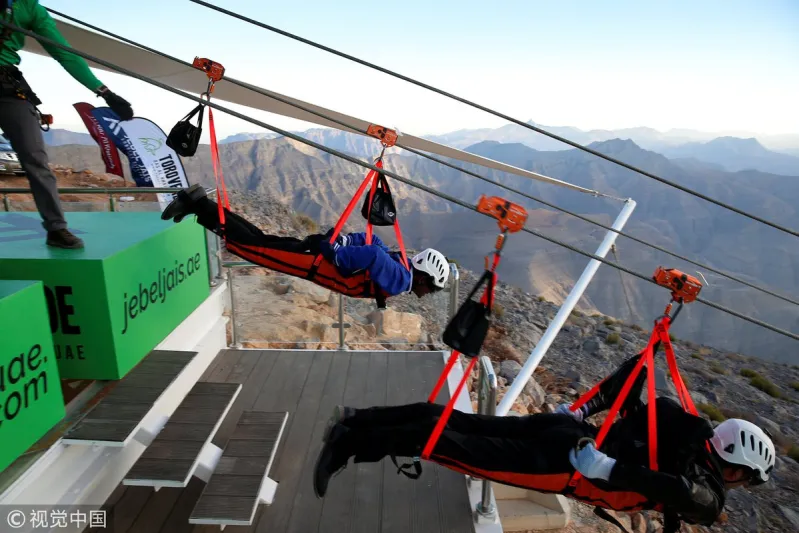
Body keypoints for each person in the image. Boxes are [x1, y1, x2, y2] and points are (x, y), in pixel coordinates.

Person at [313, 352, 775, 532]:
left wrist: (579, 413)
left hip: (569, 435)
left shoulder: (683, 426)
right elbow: (682, 493)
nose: (735, 488)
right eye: (743, 481)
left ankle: (357, 419)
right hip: (564, 465)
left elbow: (629, 387)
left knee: (454, 423)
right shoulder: (707, 494)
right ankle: (349, 442)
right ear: (735, 470)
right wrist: (607, 471)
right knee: (443, 442)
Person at [161, 184, 450, 300]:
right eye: (432, 289)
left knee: (259, 240)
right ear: (424, 278)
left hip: (317, 259)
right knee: (253, 247)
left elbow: (372, 243)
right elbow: (374, 257)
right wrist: (336, 253)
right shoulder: (401, 279)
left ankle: (201, 204)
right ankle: (197, 205)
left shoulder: (400, 263)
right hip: (317, 264)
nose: (428, 294)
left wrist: (341, 241)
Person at [0, 0, 133, 248]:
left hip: (7, 86)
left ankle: (56, 229)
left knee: (35, 158)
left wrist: (104, 92)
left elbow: (65, 54)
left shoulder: (30, 9)